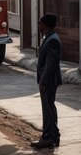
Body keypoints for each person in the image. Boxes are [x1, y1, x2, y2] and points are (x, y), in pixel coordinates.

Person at [31, 13, 62, 149]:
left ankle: (47, 138)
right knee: (50, 108)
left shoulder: (52, 40)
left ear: (45, 24)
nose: (38, 24)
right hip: (48, 80)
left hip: (48, 81)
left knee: (47, 109)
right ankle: (54, 136)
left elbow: (51, 64)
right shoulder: (48, 37)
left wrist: (43, 82)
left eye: (40, 22)